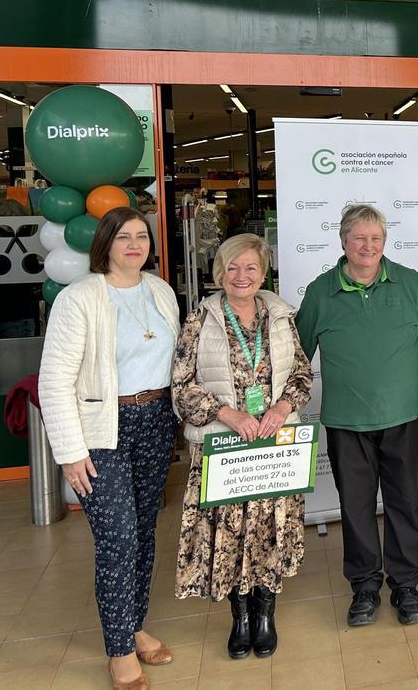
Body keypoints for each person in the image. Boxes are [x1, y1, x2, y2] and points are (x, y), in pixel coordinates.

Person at [38, 207, 180, 690]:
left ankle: (134, 626)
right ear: (105, 243)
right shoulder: (80, 297)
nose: (134, 244)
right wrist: (70, 450)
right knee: (118, 538)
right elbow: (54, 379)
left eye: (142, 236)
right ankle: (119, 652)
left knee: (142, 532)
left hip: (156, 421)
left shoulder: (161, 291)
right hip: (102, 430)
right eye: (123, 237)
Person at [295, 204, 418, 627]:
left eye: (375, 238)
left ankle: (404, 585)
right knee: (356, 507)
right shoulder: (320, 292)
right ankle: (364, 586)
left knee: (404, 503)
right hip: (346, 422)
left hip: (404, 416)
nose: (368, 246)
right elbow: (296, 358)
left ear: (385, 241)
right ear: (343, 241)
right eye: (359, 238)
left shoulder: (410, 283)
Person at [171, 233, 312, 659]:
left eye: (250, 267)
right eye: (232, 267)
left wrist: (283, 407)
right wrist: (227, 415)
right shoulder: (200, 318)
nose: (241, 275)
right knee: (229, 533)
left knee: (271, 530)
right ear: (220, 273)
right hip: (224, 448)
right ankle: (241, 618)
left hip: (274, 445)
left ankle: (265, 614)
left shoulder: (282, 315)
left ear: (263, 271)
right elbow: (181, 387)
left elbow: (302, 375)